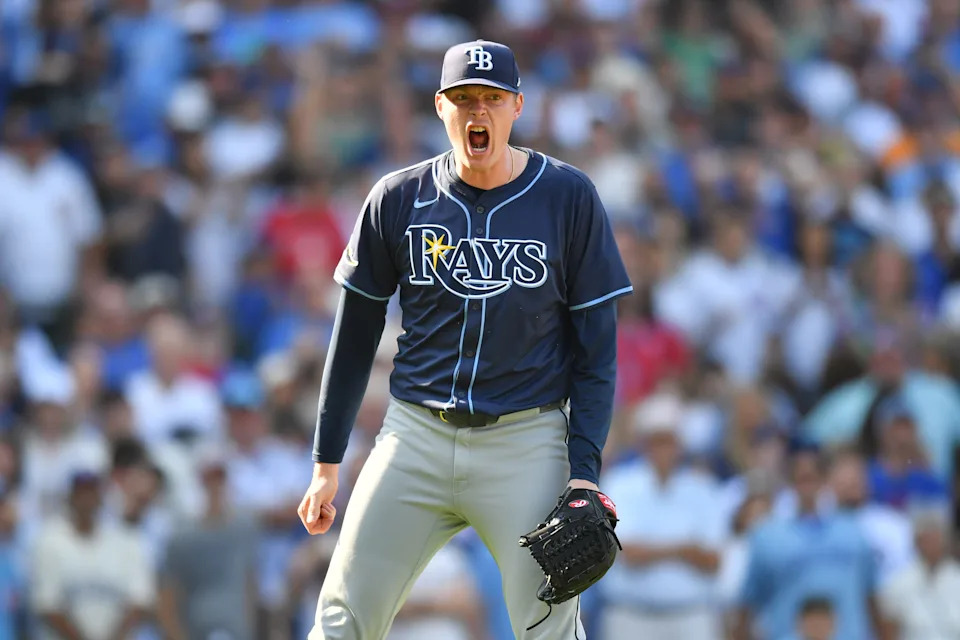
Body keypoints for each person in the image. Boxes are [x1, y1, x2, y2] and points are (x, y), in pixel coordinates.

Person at [297, 39, 633, 639]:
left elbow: (597, 354)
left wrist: (584, 472)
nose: (478, 112)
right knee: (341, 620)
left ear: (517, 107)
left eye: (492, 99)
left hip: (526, 442)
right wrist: (327, 462)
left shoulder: (567, 197)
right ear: (440, 107)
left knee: (548, 629)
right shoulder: (399, 198)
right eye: (463, 99)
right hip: (415, 436)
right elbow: (352, 337)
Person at [598, 391, 725, 640]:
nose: (664, 450)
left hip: (691, 616)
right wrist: (684, 550)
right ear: (644, 444)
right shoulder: (619, 484)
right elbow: (627, 553)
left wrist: (654, 550)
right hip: (631, 617)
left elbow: (713, 561)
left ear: (680, 445)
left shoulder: (703, 488)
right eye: (657, 441)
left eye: (669, 441)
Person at [736, 447, 886, 640]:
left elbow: (871, 599)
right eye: (801, 479)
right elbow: (747, 607)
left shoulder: (853, 532)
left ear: (824, 480)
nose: (807, 487)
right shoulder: (768, 538)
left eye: (812, 478)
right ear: (790, 482)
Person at [29, 469, 155, 640]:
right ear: (70, 497)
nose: (86, 500)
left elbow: (140, 601)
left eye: (92, 493)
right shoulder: (49, 541)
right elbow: (48, 605)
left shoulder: (127, 540)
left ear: (101, 498)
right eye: (81, 493)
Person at [880, 504, 960, 640]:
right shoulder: (898, 582)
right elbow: (889, 629)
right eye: (926, 540)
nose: (932, 545)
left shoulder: (957, 577)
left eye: (936, 538)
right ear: (916, 543)